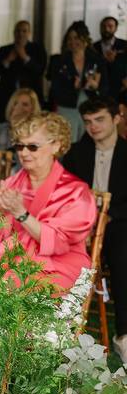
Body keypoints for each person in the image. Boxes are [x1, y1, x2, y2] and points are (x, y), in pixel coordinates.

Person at [0, 111, 95, 292]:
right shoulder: (12, 183)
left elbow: (59, 242)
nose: (24, 153)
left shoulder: (75, 191)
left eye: (32, 147)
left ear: (56, 146)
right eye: (19, 146)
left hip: (58, 263)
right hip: (12, 258)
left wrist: (21, 214)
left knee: (9, 284)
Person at [63, 97, 127, 358]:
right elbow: (65, 190)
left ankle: (123, 335)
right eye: (88, 121)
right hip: (82, 227)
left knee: (123, 254)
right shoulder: (78, 153)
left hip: (119, 224)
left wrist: (110, 216)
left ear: (117, 118)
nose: (93, 126)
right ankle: (61, 330)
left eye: (100, 119)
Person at [48, 22, 107, 143]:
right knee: (66, 143)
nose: (73, 42)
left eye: (76, 38)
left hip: (90, 108)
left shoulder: (97, 60)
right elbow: (54, 89)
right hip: (67, 108)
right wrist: (72, 87)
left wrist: (96, 87)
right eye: (70, 38)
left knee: (88, 144)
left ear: (85, 39)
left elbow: (105, 87)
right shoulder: (58, 61)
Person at [0, 21, 47, 122]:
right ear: (14, 33)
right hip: (6, 96)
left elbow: (40, 71)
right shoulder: (4, 50)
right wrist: (7, 61)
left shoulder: (38, 49)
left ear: (29, 33)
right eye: (18, 31)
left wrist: (25, 57)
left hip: (30, 96)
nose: (20, 34)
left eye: (24, 31)